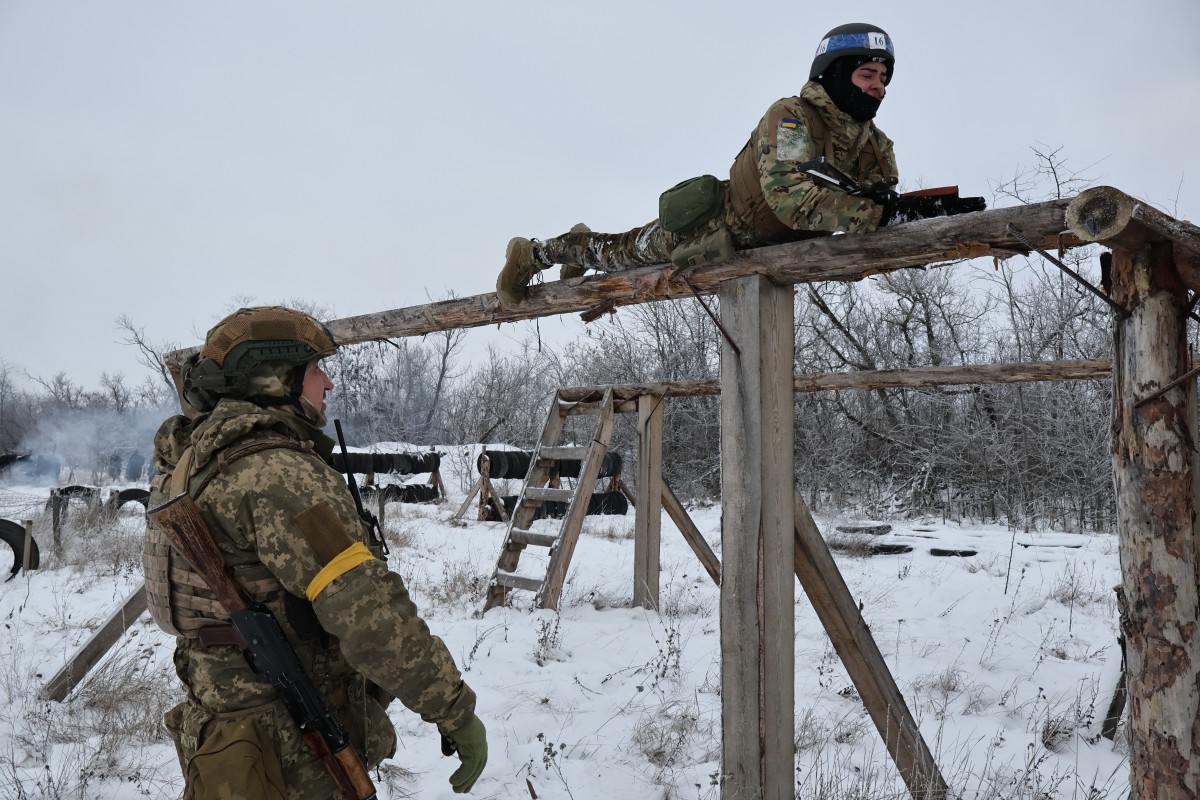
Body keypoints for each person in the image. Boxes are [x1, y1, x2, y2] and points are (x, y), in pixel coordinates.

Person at [143, 306, 487, 798]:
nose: (327, 384)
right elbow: (367, 612)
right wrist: (453, 708)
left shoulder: (190, 464)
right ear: (274, 379)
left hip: (226, 731)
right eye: (314, 370)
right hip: (289, 738)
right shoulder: (277, 474)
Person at [496, 22, 981, 310]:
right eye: (867, 73)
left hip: (771, 249)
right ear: (836, 73)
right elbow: (794, 203)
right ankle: (537, 251)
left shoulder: (876, 143)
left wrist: (912, 211)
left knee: (616, 254)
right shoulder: (791, 117)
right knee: (620, 253)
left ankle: (574, 251)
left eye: (884, 78)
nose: (878, 86)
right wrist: (881, 214)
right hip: (711, 226)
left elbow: (873, 212)